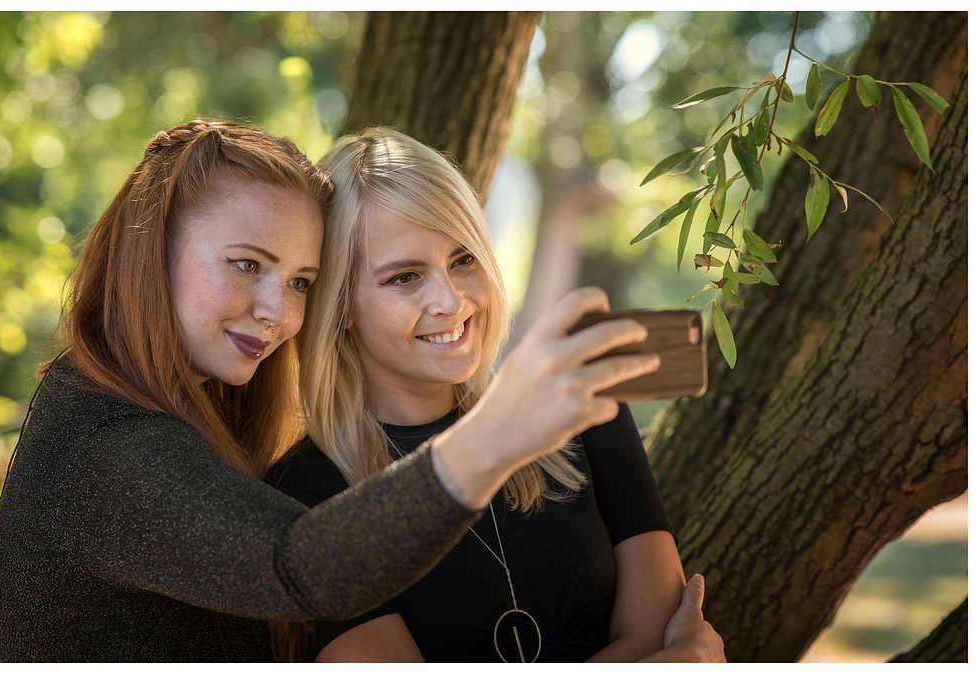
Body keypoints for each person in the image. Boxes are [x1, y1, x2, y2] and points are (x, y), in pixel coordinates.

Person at [0, 120, 664, 662]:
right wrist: (499, 433)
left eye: (299, 283)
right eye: (246, 264)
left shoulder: (190, 419)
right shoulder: (108, 449)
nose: (277, 314)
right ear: (149, 251)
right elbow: (300, 566)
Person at [267, 128, 725, 663]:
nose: (452, 300)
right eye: (405, 277)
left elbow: (654, 631)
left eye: (463, 260)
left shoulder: (587, 407)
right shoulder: (306, 493)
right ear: (341, 303)